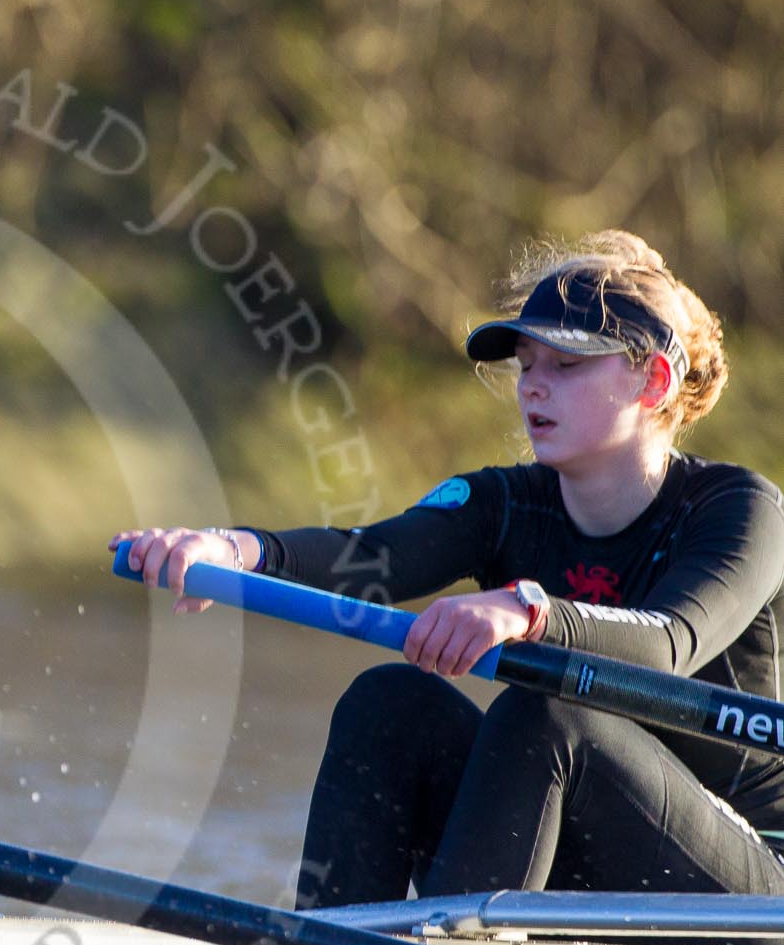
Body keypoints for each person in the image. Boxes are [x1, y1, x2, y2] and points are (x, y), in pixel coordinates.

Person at [116, 230, 784, 907]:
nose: (534, 388)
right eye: (527, 365)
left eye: (567, 365)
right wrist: (230, 551)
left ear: (653, 380)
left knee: (547, 715)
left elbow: (669, 641)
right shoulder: (505, 503)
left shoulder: (741, 510)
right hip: (575, 842)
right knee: (388, 702)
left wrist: (529, 611)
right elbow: (366, 556)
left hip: (745, 877)